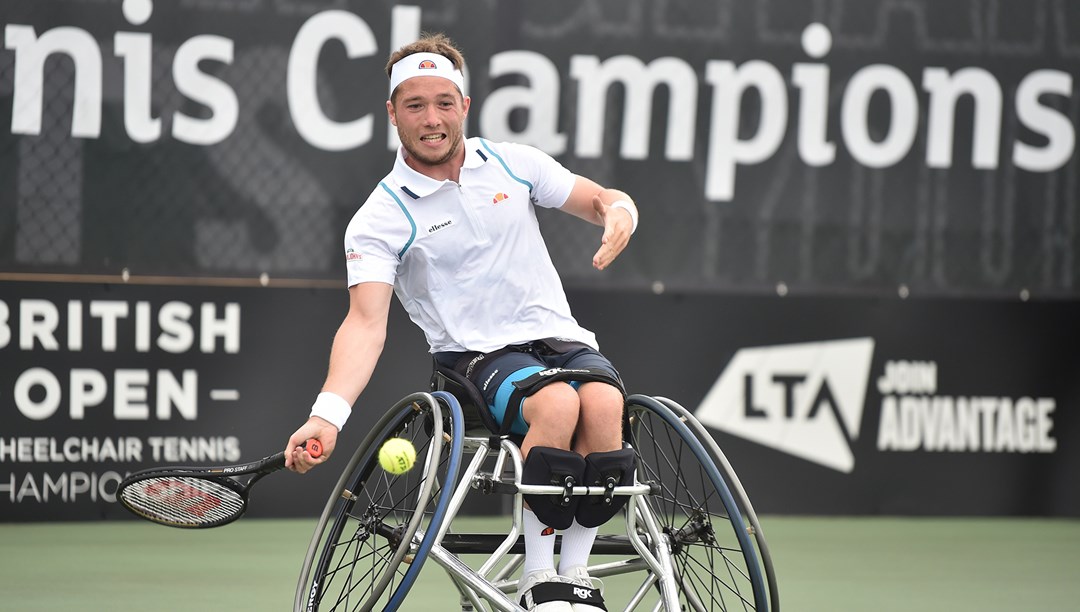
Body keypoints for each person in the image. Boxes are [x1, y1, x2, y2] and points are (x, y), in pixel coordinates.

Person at [284, 32, 639, 612]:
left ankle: (576, 576)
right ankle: (538, 579)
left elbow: (601, 198)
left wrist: (620, 212)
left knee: (603, 405)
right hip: (475, 358)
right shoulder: (379, 217)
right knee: (556, 407)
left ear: (464, 107)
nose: (431, 118)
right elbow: (365, 324)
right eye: (415, 105)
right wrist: (327, 415)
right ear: (393, 113)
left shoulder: (512, 163)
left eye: (444, 102)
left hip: (561, 338)